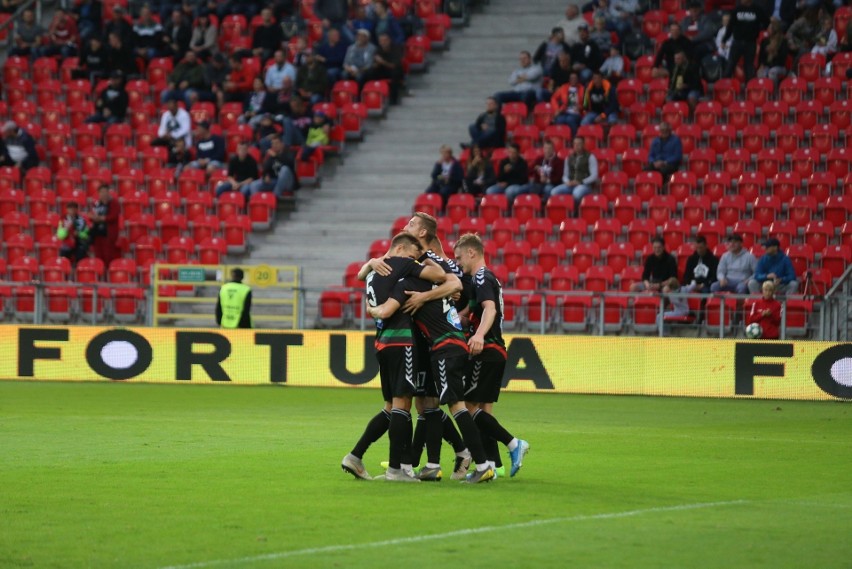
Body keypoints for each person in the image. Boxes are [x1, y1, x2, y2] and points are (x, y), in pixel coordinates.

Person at [358, 213, 475, 481]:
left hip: (433, 339)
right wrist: (371, 263)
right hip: (417, 338)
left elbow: (457, 287)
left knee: (428, 405)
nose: (404, 226)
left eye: (411, 224)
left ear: (421, 234)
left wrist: (427, 296)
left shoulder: (434, 263)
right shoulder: (406, 263)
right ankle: (418, 462)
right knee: (422, 405)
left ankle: (449, 455)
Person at [367, 245, 497, 484]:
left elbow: (387, 311)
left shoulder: (408, 284)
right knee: (439, 406)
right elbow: (454, 282)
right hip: (454, 344)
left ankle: (482, 464)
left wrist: (370, 308)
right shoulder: (436, 283)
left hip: (444, 348)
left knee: (456, 406)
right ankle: (441, 463)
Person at [341, 232, 449, 482]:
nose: (416, 259)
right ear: (401, 249)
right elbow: (440, 276)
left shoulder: (372, 272)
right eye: (414, 253)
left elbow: (360, 276)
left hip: (382, 342)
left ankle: (355, 457)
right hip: (402, 340)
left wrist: (369, 263)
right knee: (403, 404)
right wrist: (424, 259)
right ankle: (395, 471)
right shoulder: (401, 263)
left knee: (390, 406)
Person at [453, 233, 530, 478]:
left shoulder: (482, 277)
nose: (458, 263)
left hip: (487, 350)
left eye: (459, 257)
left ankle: (513, 444)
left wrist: (479, 336)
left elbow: (490, 309)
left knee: (465, 406)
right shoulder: (482, 279)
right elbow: (474, 312)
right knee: (478, 410)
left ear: (472, 253)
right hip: (491, 351)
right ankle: (491, 466)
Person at [722, 0, 768, 81]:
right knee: (730, 65)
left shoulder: (757, 9)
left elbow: (766, 22)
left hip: (750, 43)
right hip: (737, 42)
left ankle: (749, 89)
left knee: (749, 68)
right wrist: (724, 40)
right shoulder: (737, 9)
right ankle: (724, 87)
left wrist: (756, 30)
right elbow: (730, 26)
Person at [549, 136, 599, 208]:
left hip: (584, 185)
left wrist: (581, 182)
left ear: (583, 145)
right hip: (571, 184)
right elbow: (565, 175)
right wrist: (567, 182)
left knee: (577, 194)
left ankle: (574, 212)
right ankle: (563, 211)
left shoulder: (590, 157)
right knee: (554, 192)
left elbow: (594, 175)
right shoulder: (569, 158)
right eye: (575, 144)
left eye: (579, 144)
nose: (577, 146)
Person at [362, 33, 404, 104]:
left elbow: (395, 65)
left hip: (394, 70)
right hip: (382, 69)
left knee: (395, 74)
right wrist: (376, 64)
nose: (383, 42)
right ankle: (369, 96)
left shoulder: (396, 49)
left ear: (389, 40)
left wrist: (382, 62)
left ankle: (393, 99)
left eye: (385, 40)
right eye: (381, 41)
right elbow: (375, 64)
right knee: (368, 73)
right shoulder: (378, 49)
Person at [89, 185, 120, 267]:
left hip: (108, 234)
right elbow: (92, 215)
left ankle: (108, 275)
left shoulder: (114, 203)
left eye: (105, 192)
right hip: (97, 234)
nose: (103, 194)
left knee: (108, 256)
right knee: (98, 256)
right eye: (101, 192)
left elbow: (113, 216)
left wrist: (101, 218)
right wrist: (92, 217)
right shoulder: (96, 204)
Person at [757, 18, 790, 82]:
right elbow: (761, 57)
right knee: (761, 73)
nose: (767, 30)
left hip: (780, 67)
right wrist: (761, 65)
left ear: (774, 30)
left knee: (772, 72)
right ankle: (764, 90)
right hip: (767, 65)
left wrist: (773, 51)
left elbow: (782, 59)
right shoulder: (765, 41)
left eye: (769, 29)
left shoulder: (783, 42)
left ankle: (773, 90)